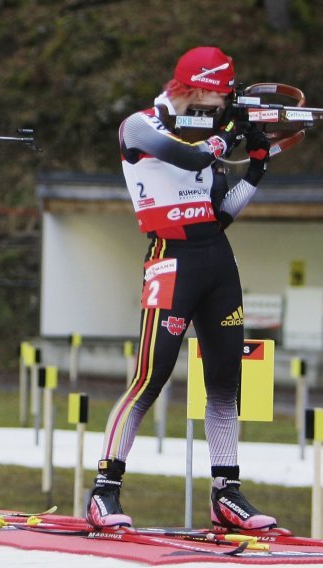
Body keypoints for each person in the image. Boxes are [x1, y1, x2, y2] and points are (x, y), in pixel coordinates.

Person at [87, 47, 277, 530]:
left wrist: (256, 165)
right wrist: (226, 138)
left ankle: (226, 492)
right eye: (221, 91)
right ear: (194, 87)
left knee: (224, 385)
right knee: (149, 377)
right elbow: (184, 154)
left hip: (215, 259)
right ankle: (104, 490)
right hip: (170, 260)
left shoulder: (213, 127)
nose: (225, 99)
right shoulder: (140, 124)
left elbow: (224, 212)